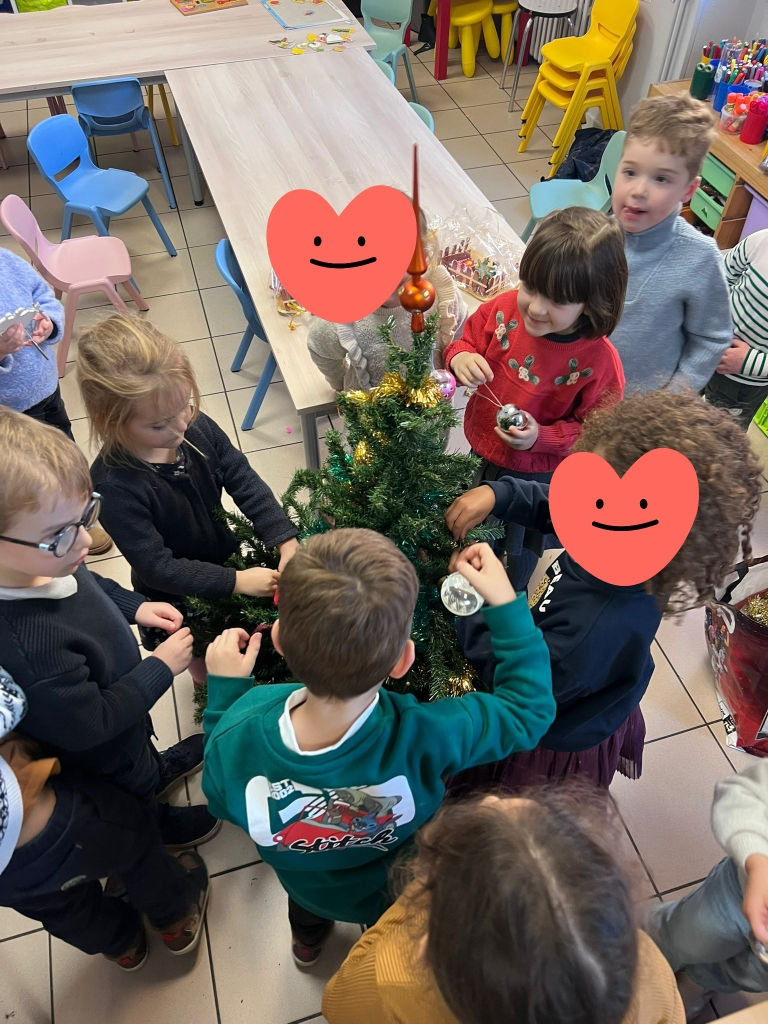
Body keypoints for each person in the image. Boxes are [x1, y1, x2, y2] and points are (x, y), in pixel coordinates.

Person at [201, 529, 555, 967]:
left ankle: (307, 945)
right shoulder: (426, 734)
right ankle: (373, 948)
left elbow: (218, 797)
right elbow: (528, 711)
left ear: (277, 641)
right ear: (403, 660)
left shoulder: (240, 728)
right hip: (393, 888)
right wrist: (505, 604)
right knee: (386, 929)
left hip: (306, 886)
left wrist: (223, 696)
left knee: (307, 914)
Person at [444, 389, 764, 791]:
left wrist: (474, 606)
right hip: (577, 676)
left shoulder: (592, 630)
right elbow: (566, 505)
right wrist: (501, 493)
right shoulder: (625, 543)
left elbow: (517, 683)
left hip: (548, 735)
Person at [0, 407, 219, 849]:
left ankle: (155, 770)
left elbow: (86, 581)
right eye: (62, 533)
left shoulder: (44, 563)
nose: (85, 541)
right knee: (128, 788)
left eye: (86, 516)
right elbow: (92, 723)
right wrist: (160, 667)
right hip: (104, 748)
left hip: (126, 714)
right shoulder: (28, 646)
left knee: (140, 754)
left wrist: (134, 606)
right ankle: (155, 825)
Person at [322, 786, 685, 1024]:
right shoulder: (645, 968)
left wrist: (413, 901)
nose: (490, 800)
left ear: (427, 951)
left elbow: (337, 1003)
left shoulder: (393, 977)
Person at [78, 315, 299, 686]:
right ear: (110, 420)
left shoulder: (194, 426)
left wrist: (285, 540)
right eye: (158, 425)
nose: (180, 426)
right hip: (176, 598)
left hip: (223, 559)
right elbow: (158, 566)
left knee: (234, 629)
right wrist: (237, 581)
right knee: (200, 654)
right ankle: (206, 687)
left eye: (184, 406)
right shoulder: (114, 484)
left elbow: (242, 478)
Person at [442, 206, 627, 589]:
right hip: (483, 447)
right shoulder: (503, 310)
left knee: (518, 546)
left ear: (593, 304)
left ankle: (508, 593)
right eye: (530, 287)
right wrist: (460, 356)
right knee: (470, 516)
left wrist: (539, 437)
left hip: (538, 474)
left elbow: (597, 433)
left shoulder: (599, 361)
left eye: (557, 301)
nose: (536, 307)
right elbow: (463, 340)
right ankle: (463, 575)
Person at [0, 667, 210, 971]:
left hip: (6, 877)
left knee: (62, 911)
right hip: (50, 819)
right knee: (137, 847)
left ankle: (124, 946)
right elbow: (12, 704)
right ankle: (173, 922)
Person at [609, 94, 732, 394]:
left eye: (661, 179)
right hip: (575, 399)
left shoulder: (700, 258)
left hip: (641, 412)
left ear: (688, 189)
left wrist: (672, 399)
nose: (638, 190)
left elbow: (712, 338)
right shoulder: (595, 236)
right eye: (630, 172)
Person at [0, 245, 112, 554]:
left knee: (65, 450)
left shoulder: (5, 260)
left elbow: (42, 291)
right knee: (38, 475)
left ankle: (83, 513)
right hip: (12, 412)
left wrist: (48, 320)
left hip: (47, 389)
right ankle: (65, 529)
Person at [646, 759, 768, 1008]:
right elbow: (742, 794)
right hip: (736, 893)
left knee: (736, 975)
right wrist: (757, 862)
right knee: (679, 936)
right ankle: (640, 954)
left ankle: (696, 984)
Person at [307, 212, 467, 391]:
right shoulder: (342, 317)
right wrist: (339, 383)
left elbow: (460, 331)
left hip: (433, 411)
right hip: (369, 413)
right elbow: (319, 347)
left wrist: (457, 358)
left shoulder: (442, 298)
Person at [703, 227, 768, 429]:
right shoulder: (761, 240)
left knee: (723, 435)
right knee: (680, 405)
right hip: (707, 348)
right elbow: (721, 277)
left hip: (744, 382)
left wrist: (749, 361)